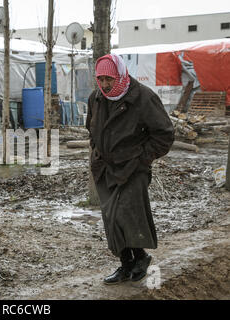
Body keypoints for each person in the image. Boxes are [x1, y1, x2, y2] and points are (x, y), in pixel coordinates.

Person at [86, 53, 174, 285]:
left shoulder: (143, 97)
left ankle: (141, 257)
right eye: (100, 79)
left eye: (109, 79)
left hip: (133, 168)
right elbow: (91, 129)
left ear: (120, 75)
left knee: (129, 215)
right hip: (105, 168)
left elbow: (164, 134)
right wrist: (96, 152)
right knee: (112, 219)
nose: (104, 85)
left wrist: (142, 159)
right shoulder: (95, 98)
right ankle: (126, 264)